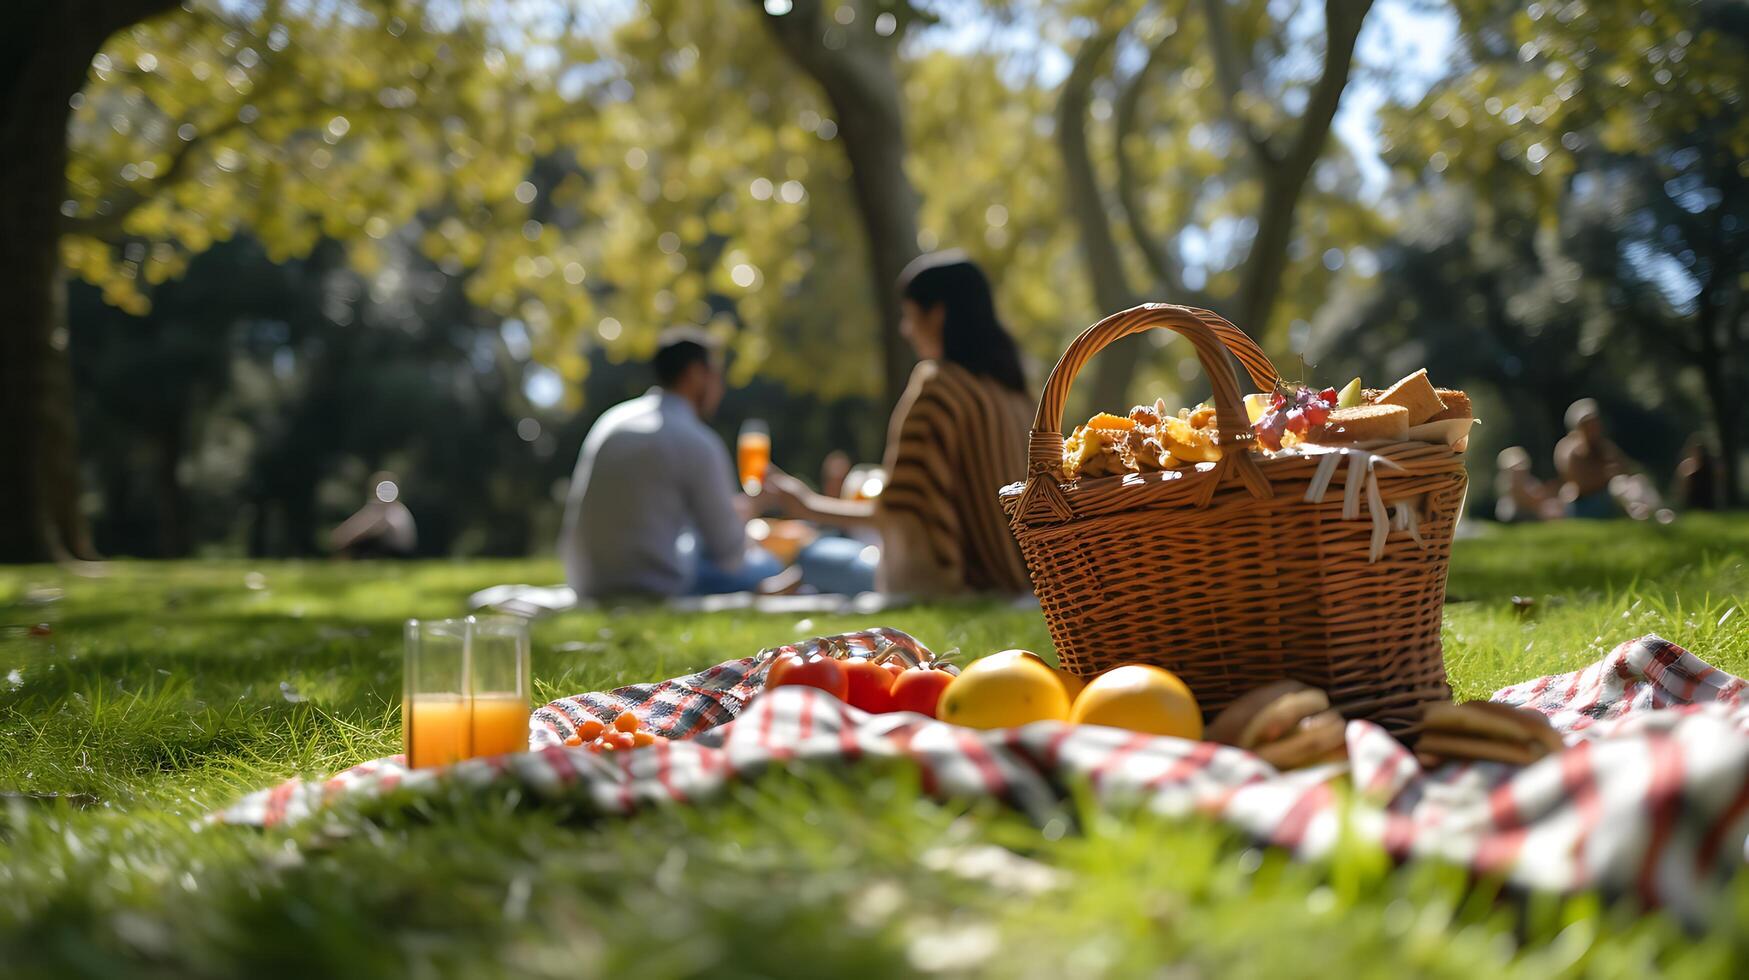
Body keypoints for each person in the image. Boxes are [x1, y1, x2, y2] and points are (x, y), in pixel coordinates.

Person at [765, 251, 1034, 595]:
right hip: (1018, 574)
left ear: (937, 315)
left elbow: (899, 513)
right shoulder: (1016, 394)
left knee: (814, 556)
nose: (906, 330)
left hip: (954, 578)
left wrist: (806, 505)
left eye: (909, 316)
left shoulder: (940, 389)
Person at [557, 329, 777, 597]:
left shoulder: (612, 420)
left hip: (587, 582)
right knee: (770, 565)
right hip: (655, 584)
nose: (720, 387)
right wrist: (750, 513)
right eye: (716, 375)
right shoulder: (697, 440)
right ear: (696, 374)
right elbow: (730, 555)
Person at [1554, 398, 1630, 519]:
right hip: (1584, 505)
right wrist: (1607, 475)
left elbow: (1624, 468)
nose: (1593, 428)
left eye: (1595, 423)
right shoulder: (1570, 450)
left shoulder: (1604, 446)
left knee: (1632, 484)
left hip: (1604, 497)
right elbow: (1582, 484)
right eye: (1587, 424)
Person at [330, 472, 418, 558]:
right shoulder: (394, 507)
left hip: (396, 551)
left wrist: (345, 539)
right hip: (400, 550)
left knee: (362, 540)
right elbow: (360, 521)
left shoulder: (386, 507)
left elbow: (373, 528)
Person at [1674, 435, 1722, 511]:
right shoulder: (1688, 464)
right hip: (1692, 502)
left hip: (1708, 501)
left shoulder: (1711, 466)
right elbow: (1682, 486)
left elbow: (1719, 482)